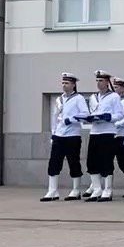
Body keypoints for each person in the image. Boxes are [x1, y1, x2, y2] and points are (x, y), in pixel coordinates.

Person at [41, 72, 88, 202]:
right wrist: (53, 133)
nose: (64, 85)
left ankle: (76, 189)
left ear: (73, 85)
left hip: (72, 135)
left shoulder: (79, 98)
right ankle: (52, 190)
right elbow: (54, 117)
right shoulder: (59, 99)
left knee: (73, 162)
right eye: (63, 83)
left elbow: (85, 114)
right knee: (54, 162)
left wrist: (71, 119)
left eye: (67, 83)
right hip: (59, 135)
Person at [83, 70, 124, 202]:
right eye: (97, 80)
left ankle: (107, 190)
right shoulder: (93, 97)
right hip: (95, 131)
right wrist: (88, 119)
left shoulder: (114, 97)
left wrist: (109, 117)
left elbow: (120, 114)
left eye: (101, 80)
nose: (99, 83)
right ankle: (96, 189)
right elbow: (91, 112)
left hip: (108, 131)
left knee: (106, 161)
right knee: (92, 161)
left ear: (107, 82)